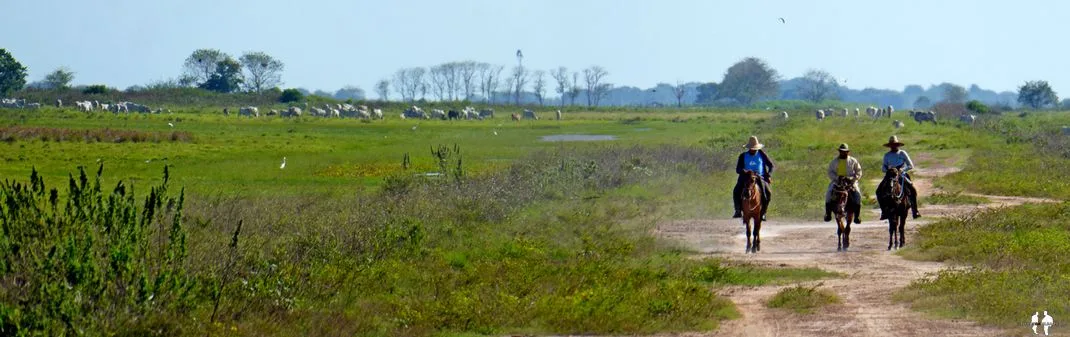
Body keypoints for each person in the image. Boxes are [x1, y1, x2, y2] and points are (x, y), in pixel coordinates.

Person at [878, 135, 921, 219]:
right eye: (892, 145)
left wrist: (902, 169)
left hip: (901, 174)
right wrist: (887, 170)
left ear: (897, 145)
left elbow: (910, 165)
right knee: (879, 191)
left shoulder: (902, 153)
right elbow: (883, 167)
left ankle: (915, 210)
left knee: (912, 190)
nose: (893, 146)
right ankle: (884, 211)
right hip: (890, 175)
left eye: (895, 144)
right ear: (890, 146)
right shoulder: (887, 155)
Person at [733, 136, 774, 220]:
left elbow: (771, 166)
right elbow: (738, 169)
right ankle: (738, 210)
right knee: (736, 191)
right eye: (752, 148)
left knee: (768, 193)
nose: (754, 150)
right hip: (746, 177)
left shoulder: (762, 154)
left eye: (755, 148)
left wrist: (769, 175)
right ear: (749, 148)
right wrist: (743, 171)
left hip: (760, 177)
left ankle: (763, 213)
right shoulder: (743, 156)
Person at [825, 143, 863, 224]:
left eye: (845, 151)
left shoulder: (853, 161)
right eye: (841, 151)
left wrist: (852, 178)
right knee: (828, 193)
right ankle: (828, 214)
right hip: (837, 181)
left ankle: (857, 216)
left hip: (851, 182)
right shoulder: (834, 161)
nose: (843, 153)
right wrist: (837, 178)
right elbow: (830, 172)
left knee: (858, 194)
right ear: (839, 151)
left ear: (848, 152)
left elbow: (859, 172)